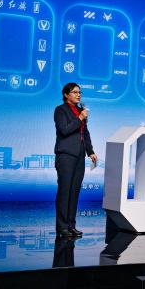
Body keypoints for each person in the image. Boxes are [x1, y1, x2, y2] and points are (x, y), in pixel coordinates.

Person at [54, 83, 97, 239]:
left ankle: (71, 226)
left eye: (80, 92)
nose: (78, 95)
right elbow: (64, 130)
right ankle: (62, 227)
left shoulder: (80, 111)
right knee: (65, 191)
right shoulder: (60, 110)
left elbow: (85, 133)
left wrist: (90, 151)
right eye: (74, 92)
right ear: (66, 94)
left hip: (79, 156)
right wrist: (80, 118)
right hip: (66, 155)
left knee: (74, 192)